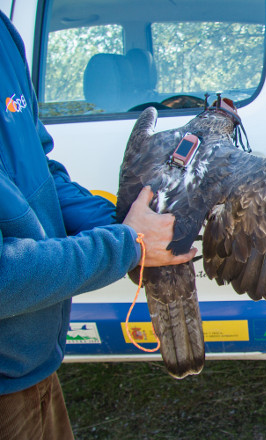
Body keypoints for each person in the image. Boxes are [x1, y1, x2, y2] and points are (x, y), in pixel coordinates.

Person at [0, 11, 196, 439]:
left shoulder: (3, 33)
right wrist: (126, 244)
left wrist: (130, 227)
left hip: (33, 363)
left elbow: (41, 171)